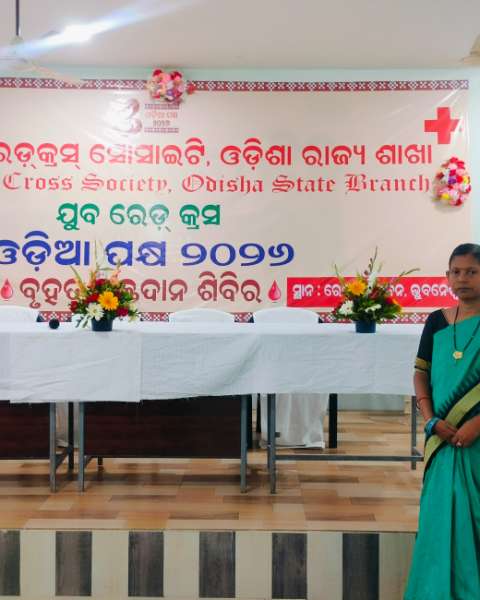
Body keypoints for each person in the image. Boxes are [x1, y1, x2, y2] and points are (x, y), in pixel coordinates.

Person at [404, 243, 480, 600]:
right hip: (441, 437)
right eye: (456, 272)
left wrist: (476, 425)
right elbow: (421, 373)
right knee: (438, 517)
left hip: (476, 440)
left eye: (472, 272)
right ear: (447, 276)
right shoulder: (436, 321)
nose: (463, 278)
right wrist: (431, 418)